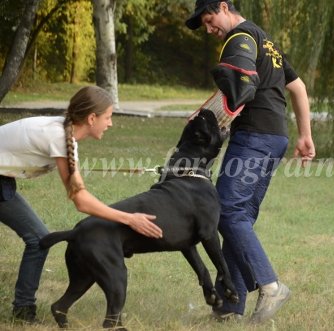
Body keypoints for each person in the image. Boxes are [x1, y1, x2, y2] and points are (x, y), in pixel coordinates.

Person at [185, 0, 316, 323]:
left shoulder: (238, 39)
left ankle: (270, 286)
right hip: (274, 137)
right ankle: (229, 305)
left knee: (227, 211)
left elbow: (240, 86)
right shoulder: (263, 39)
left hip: (254, 138)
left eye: (209, 18)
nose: (208, 27)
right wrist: (304, 135)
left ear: (224, 6)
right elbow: (297, 87)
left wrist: (206, 117)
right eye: (204, 23)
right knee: (236, 217)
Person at [0, 86, 163, 324]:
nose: (111, 123)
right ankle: (23, 312)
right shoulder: (58, 136)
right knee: (38, 238)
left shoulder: (63, 134)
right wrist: (129, 218)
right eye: (108, 117)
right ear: (91, 118)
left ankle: (23, 310)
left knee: (39, 238)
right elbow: (81, 201)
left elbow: (77, 187)